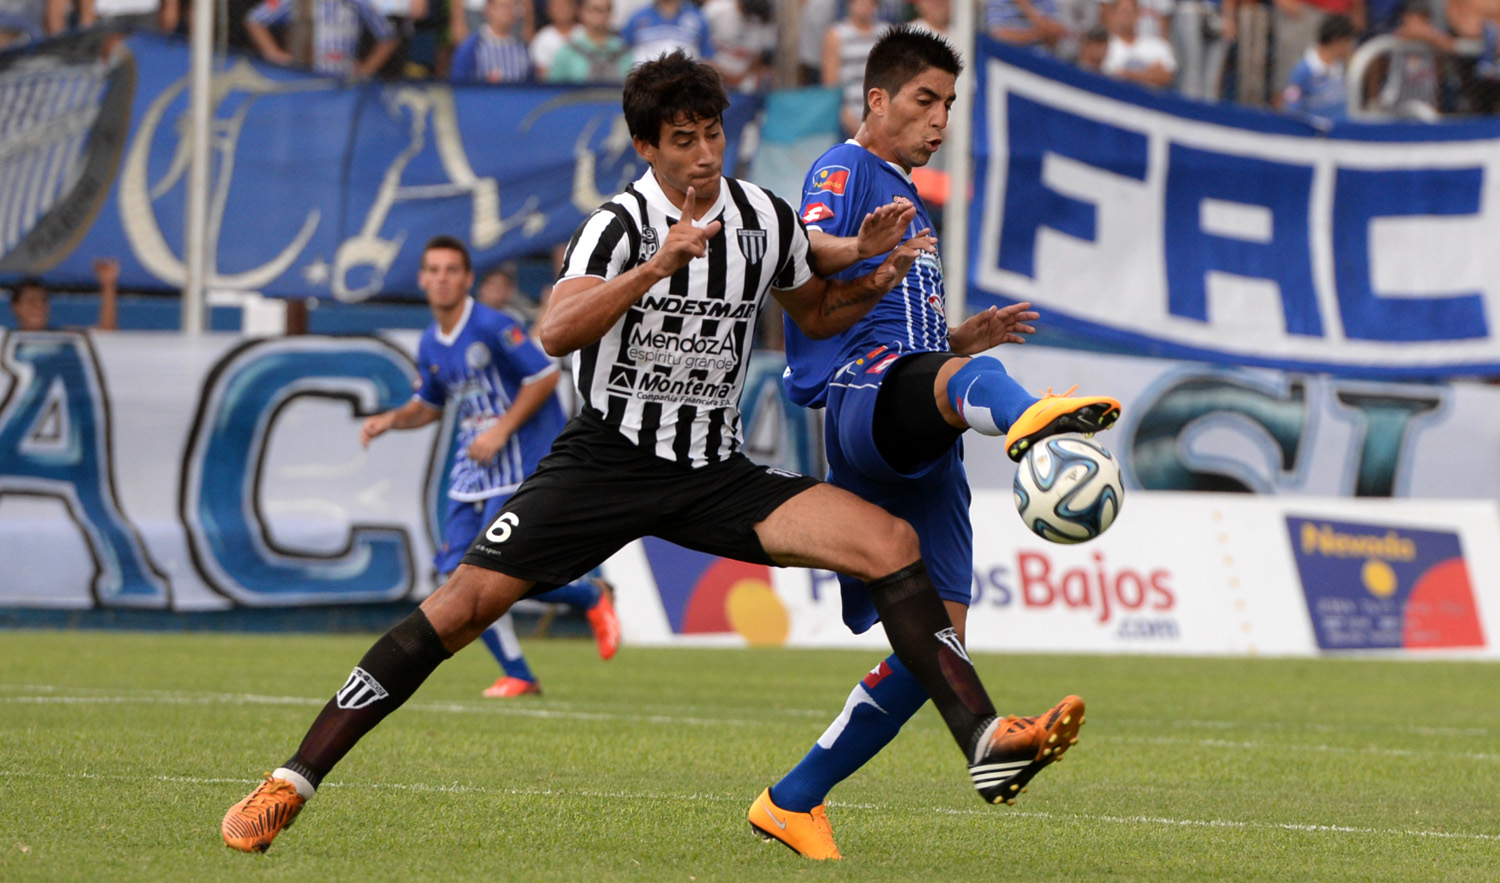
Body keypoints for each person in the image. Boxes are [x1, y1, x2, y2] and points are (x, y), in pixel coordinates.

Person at [220, 50, 1062, 855]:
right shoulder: (618, 226)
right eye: (683, 140)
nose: (704, 154)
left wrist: (872, 274)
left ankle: (983, 737)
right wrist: (658, 265)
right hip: (606, 463)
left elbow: (814, 307)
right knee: (461, 608)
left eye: (714, 134)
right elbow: (556, 331)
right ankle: (293, 778)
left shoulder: (761, 216)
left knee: (891, 542)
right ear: (646, 147)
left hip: (714, 472)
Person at [749, 26, 1120, 860]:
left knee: (935, 643)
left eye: (949, 105)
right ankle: (1030, 421)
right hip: (863, 394)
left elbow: (911, 337)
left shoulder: (910, 199)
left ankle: (793, 799)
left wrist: (958, 341)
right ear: (877, 99)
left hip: (922, 415)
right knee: (966, 381)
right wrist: (867, 261)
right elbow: (806, 257)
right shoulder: (844, 169)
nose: (940, 120)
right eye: (926, 101)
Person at [359, 236, 619, 699]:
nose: (441, 279)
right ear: (422, 280)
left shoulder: (493, 325)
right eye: (433, 270)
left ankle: (588, 598)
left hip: (517, 460)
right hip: (474, 468)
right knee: (456, 576)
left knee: (496, 571)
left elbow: (542, 377)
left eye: (450, 270)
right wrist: (391, 420)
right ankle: (521, 670)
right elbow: (428, 405)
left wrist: (501, 431)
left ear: (467, 279)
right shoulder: (431, 342)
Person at [243, 0, 399, 78]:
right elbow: (255, 20)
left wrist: (366, 70)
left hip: (341, 80)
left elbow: (389, 36)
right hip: (302, 76)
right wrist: (274, 53)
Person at [825, 0, 891, 136]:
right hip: (848, 117)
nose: (864, 6)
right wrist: (845, 116)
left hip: (882, 116)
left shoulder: (887, 34)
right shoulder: (836, 35)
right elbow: (830, 84)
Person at [5, 259, 121, 332]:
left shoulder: (64, 338)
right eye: (31, 301)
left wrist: (108, 285)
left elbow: (106, 333)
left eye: (43, 301)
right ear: (16, 307)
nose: (39, 306)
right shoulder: (4, 342)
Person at [547, 0, 632, 81]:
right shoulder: (567, 52)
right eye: (594, 9)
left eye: (603, 10)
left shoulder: (622, 50)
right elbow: (553, 88)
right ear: (582, 12)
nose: (598, 15)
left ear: (611, 14)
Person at [450, 0, 533, 82]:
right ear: (488, 9)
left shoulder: (522, 49)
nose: (508, 11)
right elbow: (459, 83)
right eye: (503, 6)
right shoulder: (472, 47)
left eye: (512, 7)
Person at [1101, 0, 1178, 88]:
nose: (1127, 16)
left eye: (1131, 12)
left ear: (1138, 14)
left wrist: (1127, 75)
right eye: (1124, 11)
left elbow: (1166, 76)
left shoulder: (1158, 46)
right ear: (1113, 13)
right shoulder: (1104, 45)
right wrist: (1147, 74)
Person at [620, 0, 712, 67]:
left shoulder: (697, 17)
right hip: (647, 83)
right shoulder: (637, 18)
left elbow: (707, 57)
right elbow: (622, 53)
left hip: (687, 83)